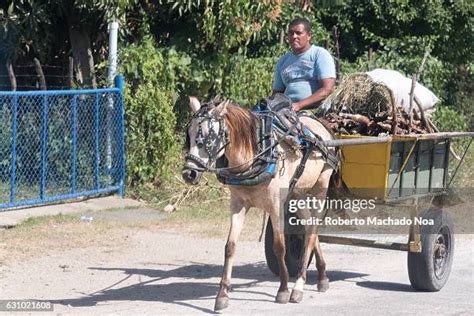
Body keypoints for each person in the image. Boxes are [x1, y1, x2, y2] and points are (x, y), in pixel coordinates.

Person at [272, 18, 336, 112]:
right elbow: (277, 94)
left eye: (298, 33)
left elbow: (327, 89)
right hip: (288, 111)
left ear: (309, 35)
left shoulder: (319, 54)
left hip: (316, 111)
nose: (294, 36)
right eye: (291, 33)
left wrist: (299, 105)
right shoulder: (282, 61)